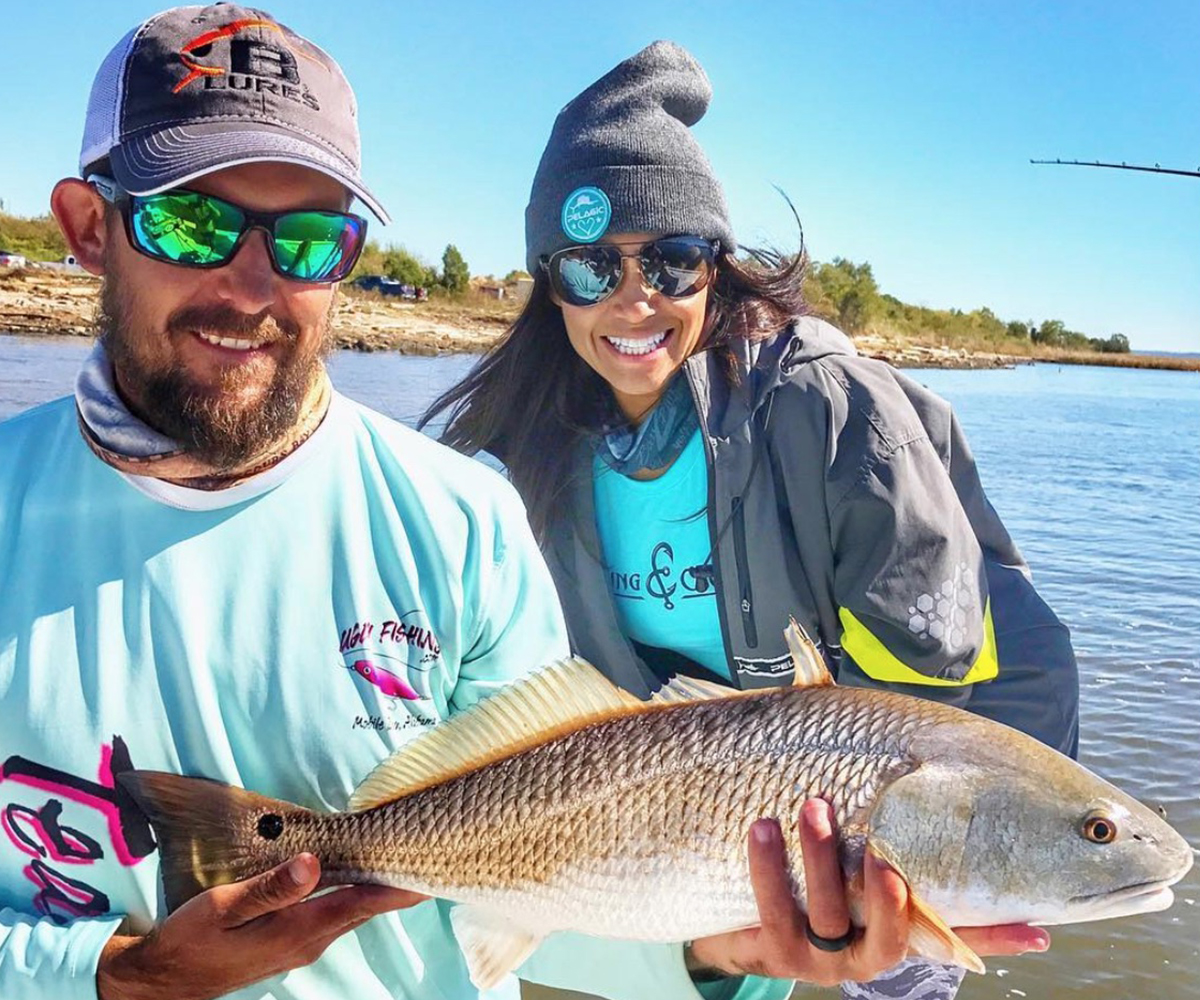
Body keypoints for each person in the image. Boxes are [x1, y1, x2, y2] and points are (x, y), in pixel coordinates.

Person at [0, 9, 875, 1000]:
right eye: (189, 223)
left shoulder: (465, 522)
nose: (251, 287)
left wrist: (722, 952)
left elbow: (539, 901)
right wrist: (114, 978)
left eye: (310, 240)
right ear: (86, 227)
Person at [425, 40, 1079, 1000]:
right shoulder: (511, 450)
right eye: (586, 268)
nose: (633, 296)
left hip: (933, 765)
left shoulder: (836, 411)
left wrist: (886, 910)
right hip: (696, 800)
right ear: (545, 283)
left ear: (718, 269)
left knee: (887, 960)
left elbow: (924, 711)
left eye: (673, 260)